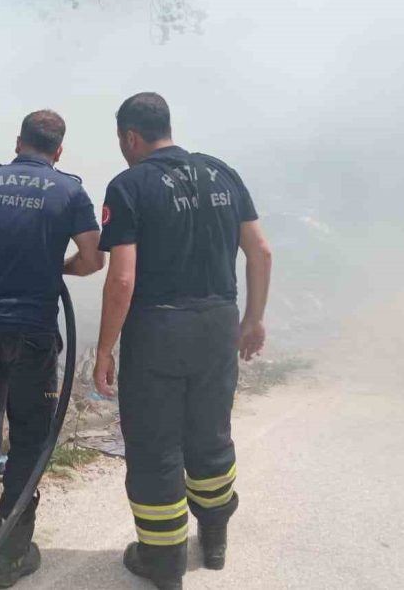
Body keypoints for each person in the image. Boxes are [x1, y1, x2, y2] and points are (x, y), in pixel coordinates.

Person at [92, 93, 273, 590]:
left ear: (130, 137)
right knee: (210, 433)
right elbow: (260, 250)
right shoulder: (222, 173)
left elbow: (122, 280)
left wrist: (105, 348)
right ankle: (213, 542)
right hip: (218, 324)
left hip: (158, 330)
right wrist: (253, 319)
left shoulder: (128, 185)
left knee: (155, 447)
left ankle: (163, 562)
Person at [0, 109, 104, 588]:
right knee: (30, 435)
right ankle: (11, 555)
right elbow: (93, 258)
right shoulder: (71, 190)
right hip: (33, 332)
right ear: (59, 150)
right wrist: (58, 271)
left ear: (17, 142)